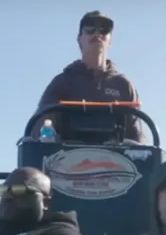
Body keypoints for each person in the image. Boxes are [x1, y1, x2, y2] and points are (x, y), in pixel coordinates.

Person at [34, 10, 145, 143]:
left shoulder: (123, 85)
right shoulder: (62, 82)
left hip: (116, 161)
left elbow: (137, 140)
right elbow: (38, 133)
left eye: (104, 30)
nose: (97, 34)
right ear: (79, 39)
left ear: (110, 40)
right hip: (66, 160)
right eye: (90, 29)